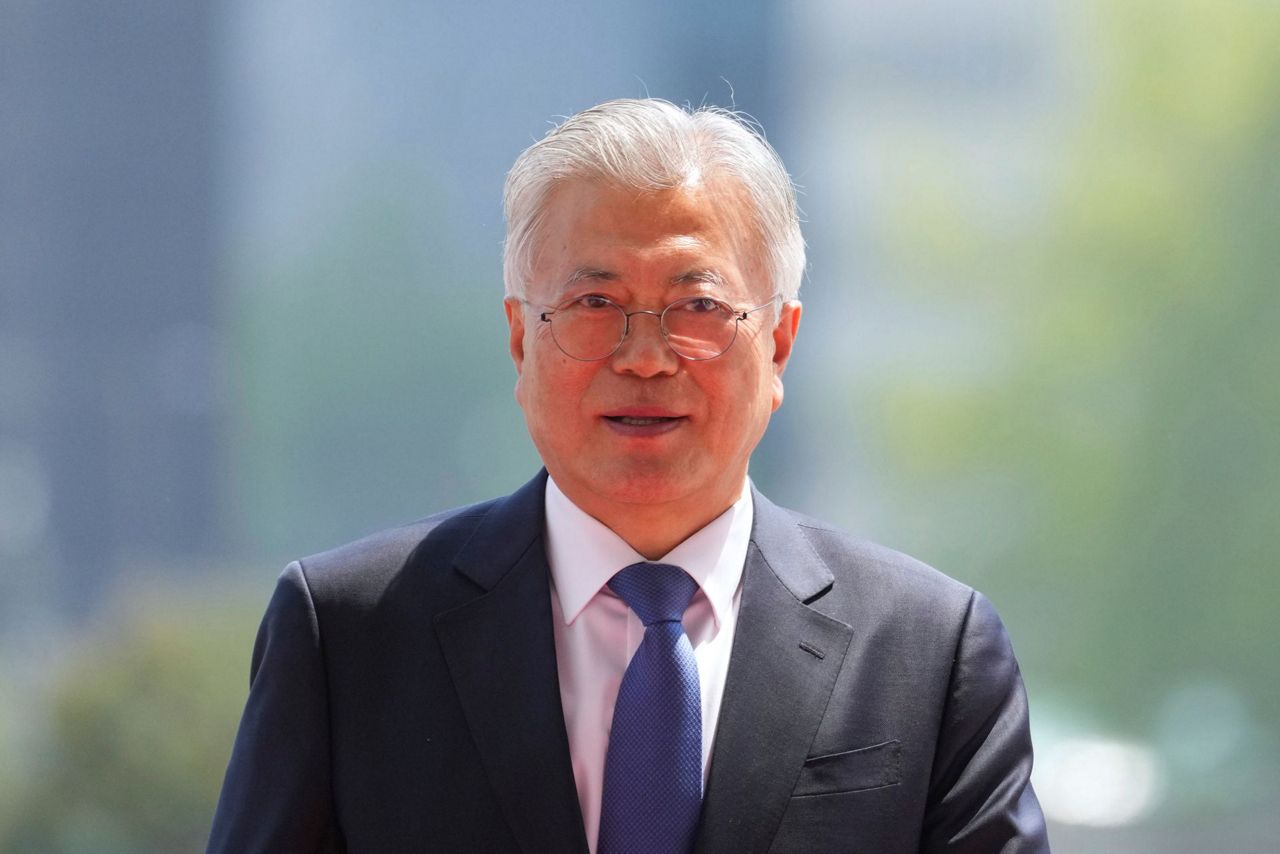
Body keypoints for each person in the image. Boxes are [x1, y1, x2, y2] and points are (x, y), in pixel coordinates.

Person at [207, 98, 1050, 853]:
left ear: (780, 345)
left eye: (699, 307)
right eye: (595, 305)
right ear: (520, 339)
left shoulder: (928, 653)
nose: (645, 358)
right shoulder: (349, 636)